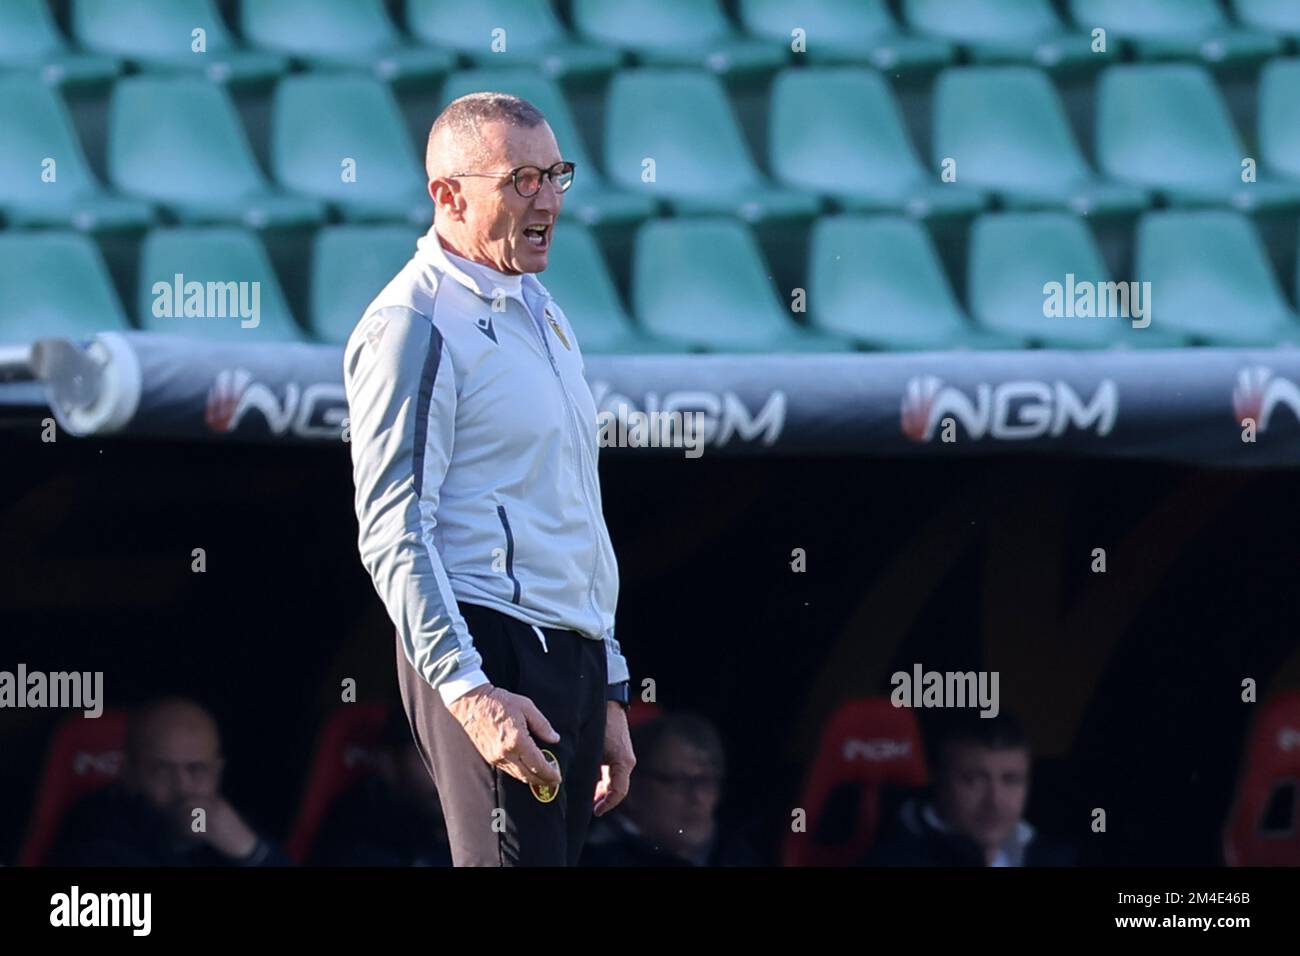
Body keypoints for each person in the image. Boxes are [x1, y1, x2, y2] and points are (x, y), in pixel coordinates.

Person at [344, 91, 634, 867]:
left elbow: (570, 509)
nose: (549, 200)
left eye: (556, 175)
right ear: (449, 194)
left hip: (565, 652)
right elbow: (393, 528)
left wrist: (605, 682)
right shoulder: (414, 322)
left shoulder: (541, 309)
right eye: (522, 180)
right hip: (487, 645)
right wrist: (470, 694)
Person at [50, 697, 291, 867]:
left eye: (197, 770)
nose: (183, 787)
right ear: (128, 773)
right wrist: (184, 837)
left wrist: (250, 851)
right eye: (162, 771)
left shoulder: (229, 825)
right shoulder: (97, 831)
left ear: (217, 772)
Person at [865, 712, 1076, 867]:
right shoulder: (891, 860)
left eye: (1011, 780)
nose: (995, 800)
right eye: (974, 780)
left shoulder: (1059, 860)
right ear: (939, 781)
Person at [582, 713, 759, 867]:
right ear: (632, 789)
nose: (696, 797)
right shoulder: (588, 857)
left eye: (705, 781)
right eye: (680, 781)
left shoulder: (742, 855)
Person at [309, 707, 453, 866]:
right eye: (429, 757)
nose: (447, 774)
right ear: (387, 762)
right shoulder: (355, 828)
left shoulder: (466, 832)